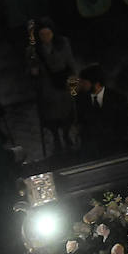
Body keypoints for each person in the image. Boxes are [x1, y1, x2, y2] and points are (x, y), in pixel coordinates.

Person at [27, 18, 78, 155]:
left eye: (48, 34)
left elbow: (70, 62)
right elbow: (32, 70)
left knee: (67, 113)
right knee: (51, 116)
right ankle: (56, 138)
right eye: (42, 35)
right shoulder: (34, 49)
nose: (46, 38)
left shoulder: (63, 43)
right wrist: (34, 73)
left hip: (63, 84)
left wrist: (74, 81)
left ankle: (66, 135)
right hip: (47, 87)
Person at [75, 63, 128, 154]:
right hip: (91, 154)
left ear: (96, 84)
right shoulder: (80, 100)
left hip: (116, 151)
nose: (81, 85)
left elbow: (126, 130)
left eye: (84, 82)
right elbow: (81, 126)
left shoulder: (118, 99)